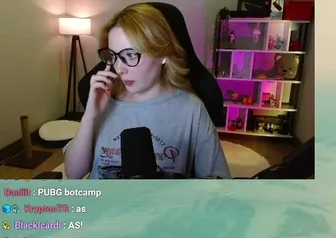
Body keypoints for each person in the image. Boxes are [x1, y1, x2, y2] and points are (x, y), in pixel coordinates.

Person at [63, 3, 230, 179]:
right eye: (114, 56)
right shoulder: (104, 101)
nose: (119, 68)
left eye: (130, 55)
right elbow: (74, 174)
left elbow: (217, 183)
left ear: (163, 54)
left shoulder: (190, 110)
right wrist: (89, 116)